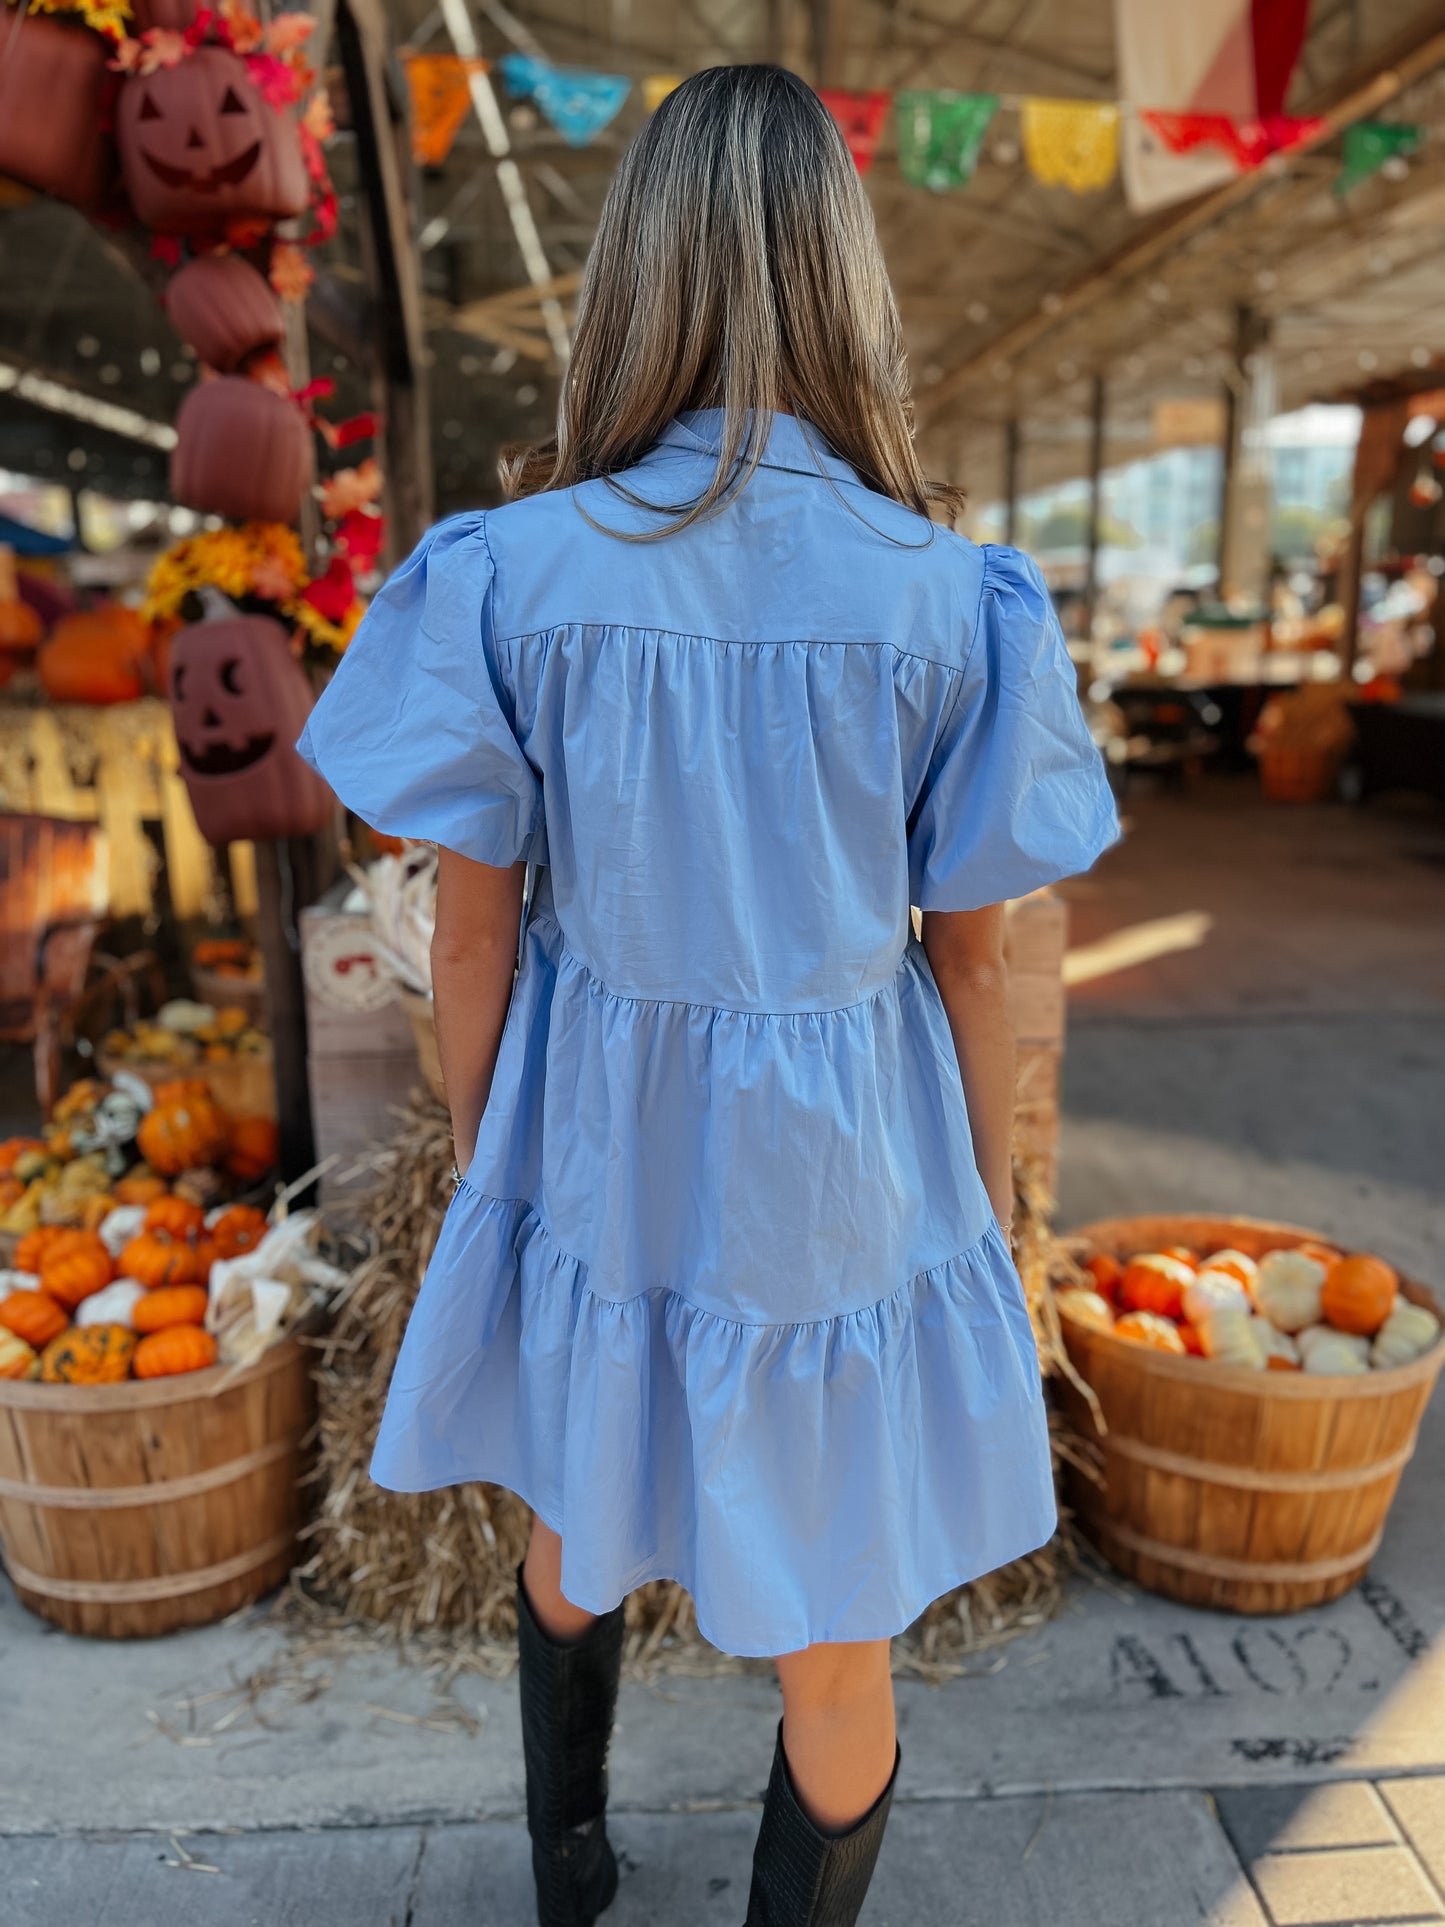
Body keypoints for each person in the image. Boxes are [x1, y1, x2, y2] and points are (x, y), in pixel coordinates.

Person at [298, 62, 1118, 1927]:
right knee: (836, 1623)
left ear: (630, 276)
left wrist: (505, 1167)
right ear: (844, 281)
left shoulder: (508, 574)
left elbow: (480, 937)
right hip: (843, 1166)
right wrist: (978, 1224)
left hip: (598, 1125)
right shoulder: (951, 595)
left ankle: (568, 1883)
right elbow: (974, 954)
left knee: (576, 1525)